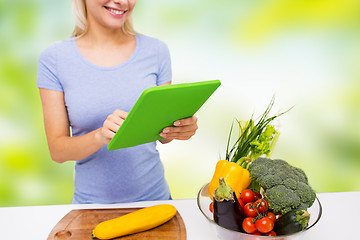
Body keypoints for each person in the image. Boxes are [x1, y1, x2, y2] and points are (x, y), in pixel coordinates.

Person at [36, 0, 198, 204]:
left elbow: (161, 133)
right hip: (90, 208)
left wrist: (179, 128)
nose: (122, 2)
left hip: (155, 202)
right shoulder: (55, 58)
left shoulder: (156, 51)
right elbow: (57, 151)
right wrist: (100, 136)